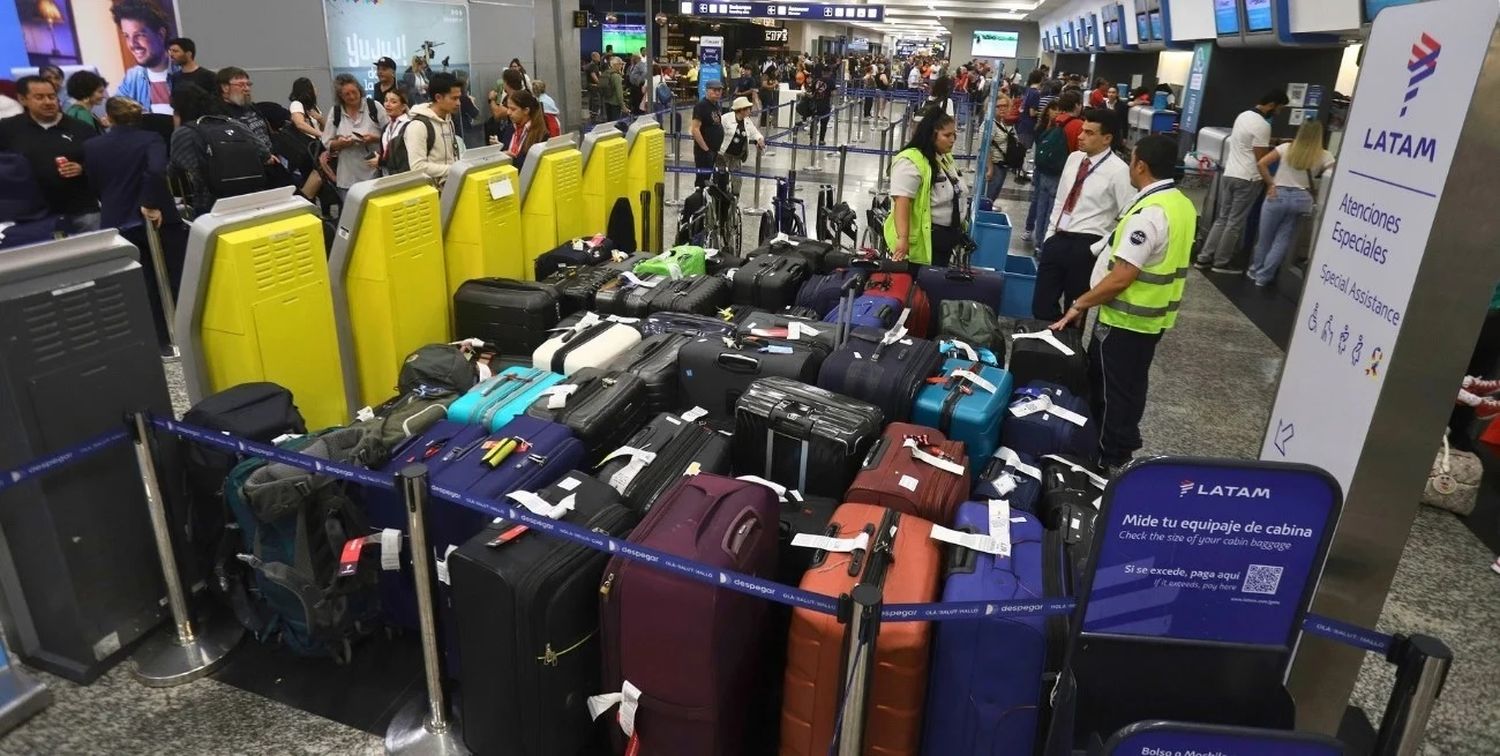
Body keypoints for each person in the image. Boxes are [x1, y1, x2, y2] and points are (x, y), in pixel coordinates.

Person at [1048, 134, 1196, 474]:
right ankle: (1123, 443)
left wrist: (1080, 304)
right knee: (1130, 385)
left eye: (1132, 160)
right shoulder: (1181, 204)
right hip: (1153, 319)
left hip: (1125, 320)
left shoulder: (1149, 213)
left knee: (1110, 390)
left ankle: (1108, 456)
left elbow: (1122, 276)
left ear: (1141, 165)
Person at [84, 96, 179, 351]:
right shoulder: (150, 139)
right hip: (151, 220)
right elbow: (158, 170)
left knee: (131, 283)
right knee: (163, 280)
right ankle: (169, 337)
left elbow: (94, 182)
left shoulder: (93, 146)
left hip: (115, 219)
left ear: (110, 118)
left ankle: (147, 339)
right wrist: (149, 201)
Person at [1033, 109, 1135, 320]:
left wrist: (1096, 248)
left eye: (1089, 133)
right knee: (1041, 307)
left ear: (1107, 139)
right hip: (1058, 239)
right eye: (1082, 131)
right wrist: (1049, 237)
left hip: (1086, 246)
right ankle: (1043, 347)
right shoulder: (1074, 159)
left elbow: (1130, 217)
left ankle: (1068, 350)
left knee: (1074, 312)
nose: (1080, 137)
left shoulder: (1119, 171)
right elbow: (1060, 200)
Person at [1196, 88, 1290, 273]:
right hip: (1248, 178)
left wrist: (1276, 141)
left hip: (1230, 173)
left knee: (1222, 219)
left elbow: (1249, 143)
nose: (1279, 113)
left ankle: (1204, 257)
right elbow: (1260, 158)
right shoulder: (1263, 125)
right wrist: (1270, 182)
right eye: (1280, 108)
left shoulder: (1243, 116)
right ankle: (1221, 263)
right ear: (1272, 105)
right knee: (1235, 223)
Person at [0, 76, 100, 234]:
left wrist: (82, 168)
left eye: (52, 96)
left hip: (82, 211)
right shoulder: (8, 129)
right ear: (22, 99)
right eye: (39, 97)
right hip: (32, 217)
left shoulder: (81, 128)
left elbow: (101, 163)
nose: (48, 102)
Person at [1247, 119, 1335, 287]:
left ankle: (1255, 271)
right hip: (1302, 199)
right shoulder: (1325, 155)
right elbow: (1332, 176)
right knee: (1283, 239)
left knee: (1265, 238)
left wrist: (1271, 183)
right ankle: (1264, 277)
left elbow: (1262, 163)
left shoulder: (1286, 148)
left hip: (1277, 195)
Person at [168, 83, 268, 216]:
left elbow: (175, 174)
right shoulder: (234, 123)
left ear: (179, 111)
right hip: (252, 198)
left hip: (211, 205)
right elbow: (264, 153)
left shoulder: (185, 133)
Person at [885, 112, 963, 269]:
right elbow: (902, 201)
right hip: (924, 241)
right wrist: (903, 238)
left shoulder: (943, 157)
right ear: (931, 135)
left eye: (954, 134)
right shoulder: (910, 161)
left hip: (946, 239)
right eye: (947, 135)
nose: (953, 139)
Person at [321, 73, 388, 196]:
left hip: (375, 175)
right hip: (348, 178)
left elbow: (390, 136)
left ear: (359, 90)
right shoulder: (335, 112)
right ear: (340, 96)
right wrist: (340, 144)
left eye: (354, 92)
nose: (352, 97)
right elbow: (327, 143)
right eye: (347, 94)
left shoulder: (374, 107)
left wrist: (374, 139)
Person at [112, 0, 178, 114]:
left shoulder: (185, 74)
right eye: (127, 36)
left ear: (161, 34)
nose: (132, 44)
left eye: (139, 35)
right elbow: (116, 116)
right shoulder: (132, 79)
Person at [402, 71, 463, 186]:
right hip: (429, 193)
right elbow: (418, 167)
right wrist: (454, 170)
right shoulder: (418, 126)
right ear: (438, 97)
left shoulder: (448, 120)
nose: (458, 103)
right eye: (454, 98)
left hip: (449, 187)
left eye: (459, 98)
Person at [1026, 100, 1065, 250]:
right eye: (1053, 109)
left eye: (1058, 110)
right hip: (1040, 168)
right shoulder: (1042, 127)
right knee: (1037, 200)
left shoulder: (1060, 128)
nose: (1055, 112)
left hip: (1051, 171)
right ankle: (1030, 229)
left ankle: (1041, 239)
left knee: (1047, 204)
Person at [214, 67, 271, 154]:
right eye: (241, 85)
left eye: (248, 84)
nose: (247, 89)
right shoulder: (218, 114)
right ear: (225, 88)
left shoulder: (251, 107)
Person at [721, 96, 765, 197]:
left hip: (736, 157)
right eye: (748, 108)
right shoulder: (726, 118)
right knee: (721, 179)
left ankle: (734, 202)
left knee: (737, 182)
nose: (750, 110)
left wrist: (759, 139)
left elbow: (755, 132)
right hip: (724, 155)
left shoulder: (747, 121)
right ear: (741, 110)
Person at [690, 81, 725, 188]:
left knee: (709, 178)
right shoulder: (701, 106)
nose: (717, 93)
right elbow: (695, 129)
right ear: (707, 90)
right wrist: (706, 149)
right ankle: (699, 200)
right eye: (714, 90)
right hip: (704, 151)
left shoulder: (716, 105)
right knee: (702, 180)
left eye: (719, 90)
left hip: (714, 150)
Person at [505, 90, 548, 170]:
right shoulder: (509, 129)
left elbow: (533, 167)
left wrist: (511, 159)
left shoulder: (541, 135)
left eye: (513, 109)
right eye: (508, 108)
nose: (508, 112)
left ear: (526, 110)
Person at [986, 91, 1017, 201]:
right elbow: (985, 147)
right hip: (994, 166)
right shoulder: (990, 125)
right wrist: (989, 168)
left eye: (1005, 105)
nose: (1002, 109)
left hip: (1002, 165)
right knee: (989, 196)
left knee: (994, 195)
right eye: (998, 106)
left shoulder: (1001, 122)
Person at [378, 89, 410, 175]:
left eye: (393, 102)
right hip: (386, 175)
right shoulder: (386, 127)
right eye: (386, 100)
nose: (387, 104)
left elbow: (402, 156)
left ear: (403, 107)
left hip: (403, 176)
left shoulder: (409, 125)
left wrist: (380, 161)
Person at [602, 57, 625, 122]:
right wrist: (623, 105)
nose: (621, 66)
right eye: (620, 64)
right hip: (615, 103)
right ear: (616, 65)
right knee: (615, 123)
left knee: (609, 122)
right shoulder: (616, 76)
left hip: (607, 101)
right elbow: (619, 92)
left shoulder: (606, 73)